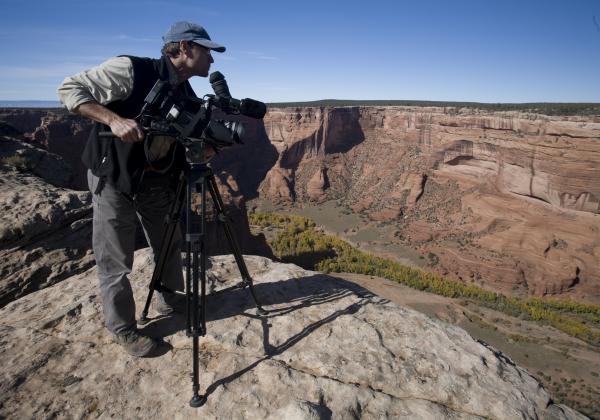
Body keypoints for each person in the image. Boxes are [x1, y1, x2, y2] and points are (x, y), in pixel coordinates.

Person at [57, 21, 224, 357]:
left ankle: (169, 298)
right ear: (184, 48)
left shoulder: (188, 96)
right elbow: (70, 89)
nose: (212, 59)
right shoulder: (132, 70)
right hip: (114, 177)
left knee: (168, 243)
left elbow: (187, 147)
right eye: (207, 51)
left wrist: (207, 148)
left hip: (156, 183)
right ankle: (123, 329)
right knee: (115, 258)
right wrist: (113, 120)